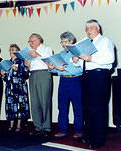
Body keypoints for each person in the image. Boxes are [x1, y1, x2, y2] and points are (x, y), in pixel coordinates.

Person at [72, 19, 114, 149]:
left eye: (91, 28)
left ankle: (98, 140)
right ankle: (89, 135)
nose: (88, 31)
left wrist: (91, 58)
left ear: (98, 29)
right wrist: (76, 60)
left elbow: (110, 59)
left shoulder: (105, 41)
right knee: (87, 107)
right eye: (86, 29)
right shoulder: (85, 43)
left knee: (98, 108)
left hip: (100, 76)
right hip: (87, 76)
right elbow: (82, 63)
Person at [48, 32, 83, 140]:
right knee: (62, 107)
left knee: (78, 108)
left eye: (65, 41)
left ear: (71, 41)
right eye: (62, 42)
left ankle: (78, 131)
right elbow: (54, 70)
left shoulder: (78, 52)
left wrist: (66, 66)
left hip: (75, 81)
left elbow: (80, 68)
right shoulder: (60, 54)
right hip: (63, 81)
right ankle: (62, 130)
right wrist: (50, 67)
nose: (63, 44)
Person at [25, 33, 53, 137]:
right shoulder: (28, 52)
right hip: (32, 75)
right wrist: (27, 66)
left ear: (38, 40)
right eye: (29, 42)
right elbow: (29, 67)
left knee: (44, 101)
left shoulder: (47, 49)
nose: (30, 43)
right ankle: (38, 127)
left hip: (43, 74)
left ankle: (46, 127)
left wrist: (37, 55)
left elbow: (51, 64)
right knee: (35, 102)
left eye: (32, 41)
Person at [0, 44, 30, 132]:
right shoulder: (7, 62)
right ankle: (11, 124)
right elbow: (6, 78)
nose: (11, 51)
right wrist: (3, 74)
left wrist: (18, 70)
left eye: (13, 50)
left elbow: (25, 75)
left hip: (19, 87)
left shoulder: (21, 61)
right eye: (10, 50)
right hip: (10, 87)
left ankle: (19, 125)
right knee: (10, 105)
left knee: (19, 105)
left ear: (17, 52)